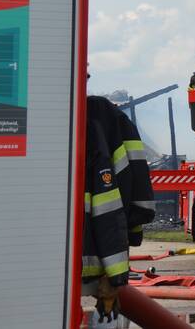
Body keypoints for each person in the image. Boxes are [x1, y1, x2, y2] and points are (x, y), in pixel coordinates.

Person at [82, 95, 155, 321]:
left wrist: (115, 277)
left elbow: (109, 206)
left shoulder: (97, 121)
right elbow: (115, 205)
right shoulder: (105, 121)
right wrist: (115, 277)